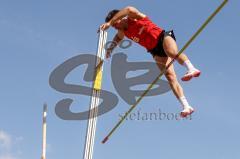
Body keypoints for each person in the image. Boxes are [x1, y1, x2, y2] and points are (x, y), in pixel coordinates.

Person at [99, 6, 201, 117]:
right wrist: (110, 50)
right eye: (114, 27)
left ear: (119, 18)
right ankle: (186, 106)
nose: (115, 27)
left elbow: (128, 9)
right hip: (154, 50)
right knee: (170, 77)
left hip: (163, 37)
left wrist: (109, 22)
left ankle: (191, 68)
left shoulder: (133, 17)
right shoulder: (123, 31)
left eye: (115, 24)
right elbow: (118, 38)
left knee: (171, 52)